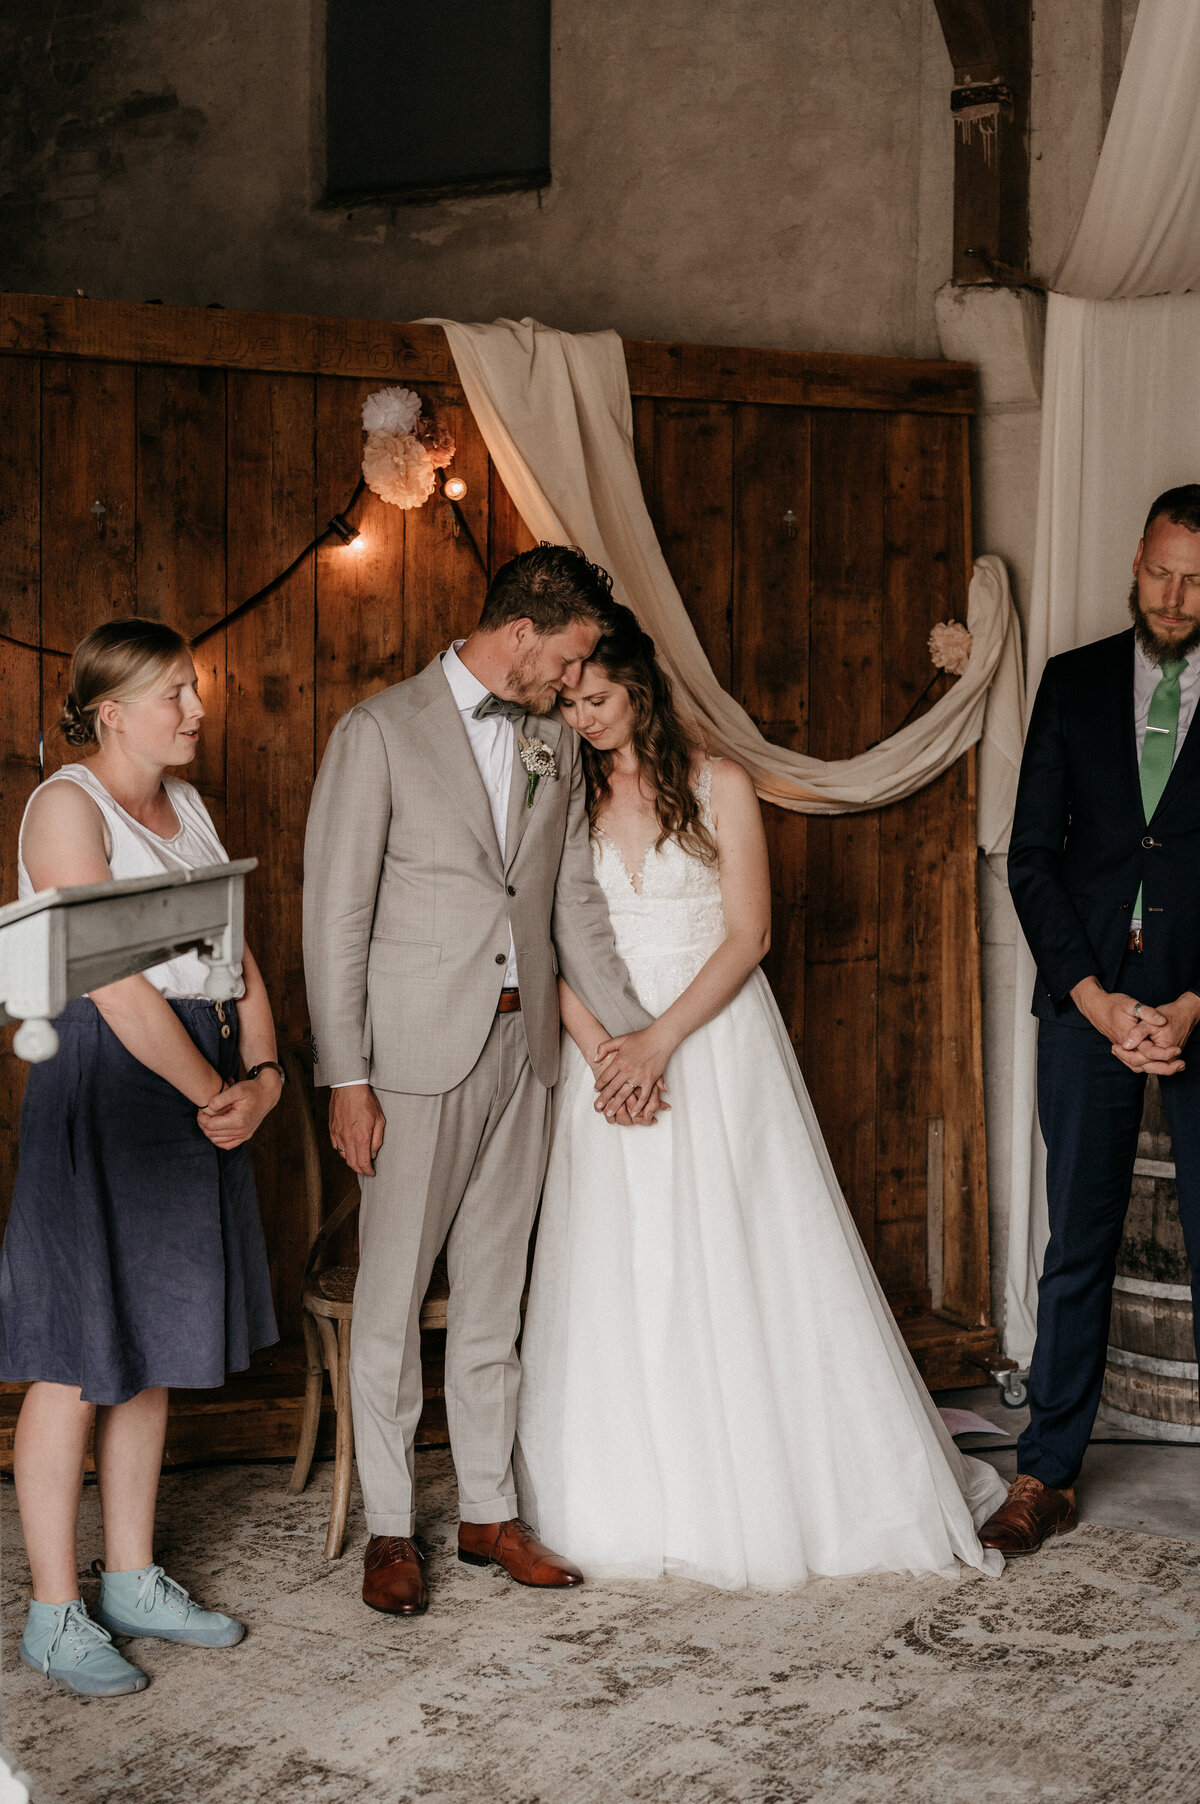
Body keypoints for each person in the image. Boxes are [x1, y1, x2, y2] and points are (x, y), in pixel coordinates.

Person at [514, 606, 1006, 1588]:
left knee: (740, 1255)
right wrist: (607, 1047)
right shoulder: (557, 798)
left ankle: (766, 1484)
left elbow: (749, 934)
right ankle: (626, 1492)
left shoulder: (719, 782)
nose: (584, 717)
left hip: (712, 1042)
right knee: (617, 1266)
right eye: (568, 703)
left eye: (598, 697)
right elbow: (538, 941)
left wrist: (659, 1040)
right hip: (602, 1057)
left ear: (640, 688)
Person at [303, 545, 662, 1618]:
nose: (574, 680)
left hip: (527, 1054)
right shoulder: (377, 731)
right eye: (570, 657)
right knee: (392, 1298)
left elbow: (567, 903)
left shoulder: (551, 738)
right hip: (410, 1060)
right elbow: (337, 920)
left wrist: (636, 1036)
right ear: (522, 634)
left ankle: (489, 1512)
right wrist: (347, 1075)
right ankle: (390, 1529)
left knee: (496, 1295)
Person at [1, 618, 281, 1697]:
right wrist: (216, 1089)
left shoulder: (195, 805)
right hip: (110, 1079)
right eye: (175, 693)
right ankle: (55, 1614)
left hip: (198, 1075)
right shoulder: (67, 806)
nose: (197, 711)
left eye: (194, 690)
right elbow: (117, 986)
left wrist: (261, 1077)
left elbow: (238, 952)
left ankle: (129, 1578)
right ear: (110, 709)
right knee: (79, 1351)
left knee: (151, 1342)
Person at [986, 485, 1200, 1557]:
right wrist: (1094, 998)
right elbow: (1030, 860)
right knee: (1078, 1244)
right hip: (1085, 1005)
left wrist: (1194, 1003)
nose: (1174, 594)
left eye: (1197, 577)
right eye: (1162, 569)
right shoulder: (1070, 685)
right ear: (1136, 557)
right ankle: (1044, 1470)